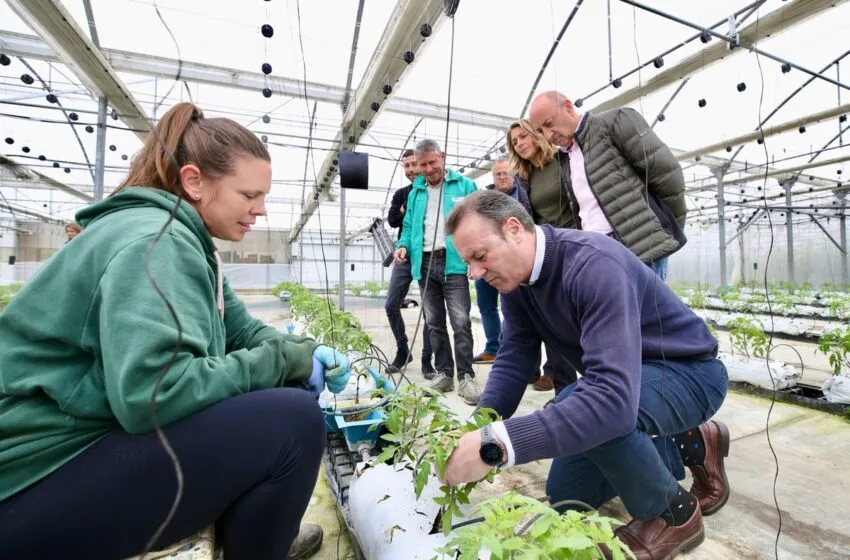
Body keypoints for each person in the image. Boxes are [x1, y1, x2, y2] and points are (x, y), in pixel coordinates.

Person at [0, 102, 351, 560]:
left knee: (279, 395)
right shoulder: (155, 242)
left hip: (69, 450)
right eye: (249, 195)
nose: (261, 210)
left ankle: (261, 536)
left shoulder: (182, 236)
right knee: (293, 421)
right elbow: (153, 394)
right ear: (194, 181)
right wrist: (285, 361)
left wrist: (304, 350)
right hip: (33, 479)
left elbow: (240, 330)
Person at [442, 190, 730, 560]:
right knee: (568, 497)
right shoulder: (517, 285)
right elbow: (514, 358)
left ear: (513, 229)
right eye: (469, 263)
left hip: (688, 373)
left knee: (593, 412)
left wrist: (495, 445)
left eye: (480, 256)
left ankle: (674, 514)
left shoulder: (593, 264)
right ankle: (691, 440)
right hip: (633, 382)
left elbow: (610, 402)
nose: (475, 273)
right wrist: (480, 426)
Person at [527, 91, 688, 282]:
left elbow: (667, 176)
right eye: (540, 131)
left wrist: (665, 229)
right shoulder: (565, 158)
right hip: (598, 252)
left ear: (568, 107)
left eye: (549, 123)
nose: (548, 135)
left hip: (640, 250)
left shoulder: (615, 122)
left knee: (645, 302)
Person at [393, 139, 479, 406]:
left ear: (442, 156)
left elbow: (479, 223)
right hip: (425, 264)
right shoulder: (416, 192)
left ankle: (465, 376)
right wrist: (403, 245)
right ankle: (444, 373)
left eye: (432, 162)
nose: (429, 169)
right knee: (434, 323)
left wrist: (475, 257)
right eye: (423, 165)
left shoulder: (465, 186)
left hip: (453, 263)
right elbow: (408, 226)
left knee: (461, 322)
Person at [472, 158, 531, 365]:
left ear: (513, 174)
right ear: (493, 177)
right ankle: (492, 349)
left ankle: (510, 351)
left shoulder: (523, 195)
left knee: (513, 309)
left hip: (511, 263)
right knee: (486, 306)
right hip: (485, 262)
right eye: (498, 174)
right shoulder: (483, 200)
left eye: (506, 173)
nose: (503, 177)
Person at [385, 149, 435, 378]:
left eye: (414, 164)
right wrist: (407, 208)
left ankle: (427, 359)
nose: (411, 170)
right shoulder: (401, 194)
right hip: (404, 254)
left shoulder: (434, 191)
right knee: (391, 305)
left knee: (430, 311)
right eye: (406, 166)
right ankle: (403, 350)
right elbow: (393, 220)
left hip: (428, 255)